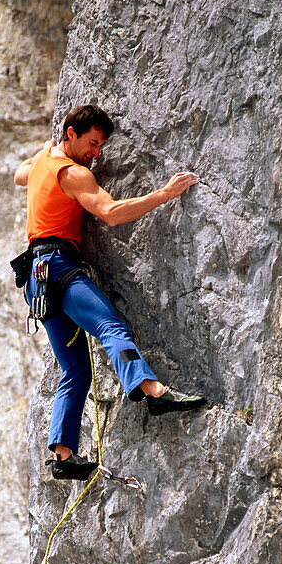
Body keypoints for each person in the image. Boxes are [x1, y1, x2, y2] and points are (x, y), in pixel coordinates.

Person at [14, 103, 206, 480]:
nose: (96, 153)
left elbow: (19, 175)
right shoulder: (72, 174)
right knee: (110, 328)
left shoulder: (42, 161)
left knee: (74, 370)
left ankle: (64, 454)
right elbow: (112, 212)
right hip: (60, 270)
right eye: (92, 142)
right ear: (70, 133)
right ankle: (152, 390)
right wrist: (164, 194)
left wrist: (42, 153)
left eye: (100, 146)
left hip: (36, 281)